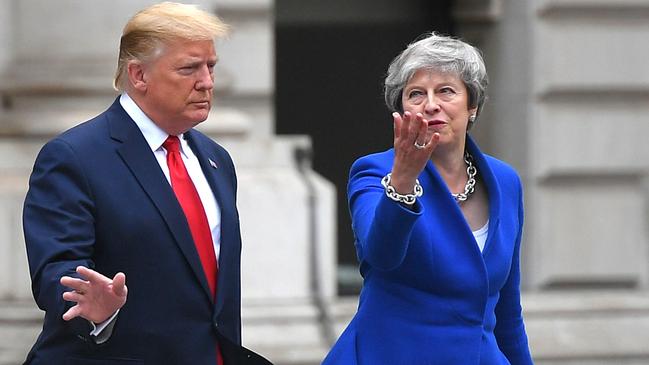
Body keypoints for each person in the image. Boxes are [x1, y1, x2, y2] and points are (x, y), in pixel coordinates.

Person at [22, 2, 272, 364]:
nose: (207, 82)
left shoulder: (216, 159)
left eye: (211, 66)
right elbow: (57, 271)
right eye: (189, 68)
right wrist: (96, 308)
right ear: (139, 75)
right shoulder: (74, 156)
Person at [322, 33, 534, 364]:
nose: (430, 104)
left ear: (472, 105)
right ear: (402, 109)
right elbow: (381, 255)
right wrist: (403, 179)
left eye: (446, 91)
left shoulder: (504, 181)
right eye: (416, 94)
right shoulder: (374, 171)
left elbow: (507, 310)